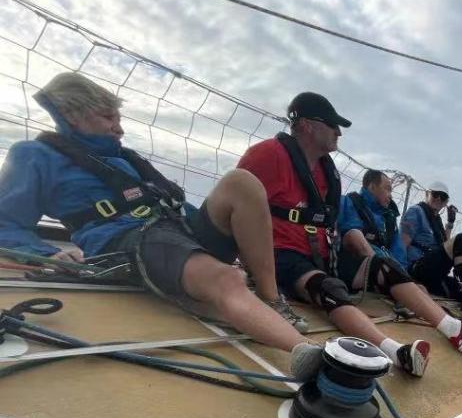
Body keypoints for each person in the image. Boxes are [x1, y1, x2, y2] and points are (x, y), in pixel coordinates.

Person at [0, 72, 323, 380]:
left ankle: (270, 298)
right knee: (226, 278)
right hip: (128, 238)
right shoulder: (33, 155)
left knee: (242, 181)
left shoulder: (126, 159)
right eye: (108, 117)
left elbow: (171, 203)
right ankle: (307, 351)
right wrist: (47, 254)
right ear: (72, 114)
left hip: (176, 226)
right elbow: (6, 221)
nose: (119, 128)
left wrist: (215, 229)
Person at [236, 92, 432, 377]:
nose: (339, 132)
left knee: (384, 266)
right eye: (332, 124)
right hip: (282, 255)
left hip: (323, 255)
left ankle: (453, 328)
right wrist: (249, 266)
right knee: (328, 288)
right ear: (306, 125)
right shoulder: (267, 156)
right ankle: (395, 351)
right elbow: (238, 207)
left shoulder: (326, 173)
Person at [335, 164, 462, 352]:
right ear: (371, 186)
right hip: (381, 268)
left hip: (397, 269)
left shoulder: (389, 217)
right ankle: (456, 327)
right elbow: (356, 238)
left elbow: (399, 251)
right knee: (461, 241)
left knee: (455, 289)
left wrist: (404, 279)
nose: (391, 194)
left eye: (443, 197)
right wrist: (398, 275)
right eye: (387, 189)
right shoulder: (353, 203)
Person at [402, 183, 462, 304]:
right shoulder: (416, 211)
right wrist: (401, 277)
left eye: (442, 197)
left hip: (433, 273)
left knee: (461, 288)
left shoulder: (436, 221)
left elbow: (445, 246)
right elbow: (402, 244)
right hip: (416, 269)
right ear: (427, 194)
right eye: (435, 194)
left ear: (446, 202)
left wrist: (450, 223)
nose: (438, 199)